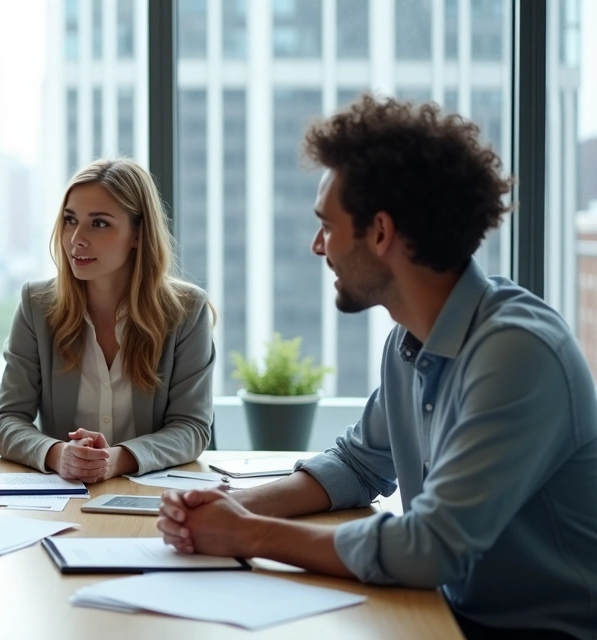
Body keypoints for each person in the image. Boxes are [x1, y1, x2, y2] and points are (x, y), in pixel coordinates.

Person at [157, 96, 597, 639]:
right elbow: (359, 465)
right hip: (446, 615)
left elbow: (429, 549)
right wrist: (223, 507)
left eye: (327, 226)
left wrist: (248, 535)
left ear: (382, 232)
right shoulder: (410, 342)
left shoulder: (517, 354)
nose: (317, 246)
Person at [0, 158, 215, 483]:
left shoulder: (187, 310)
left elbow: (192, 428)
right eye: (70, 220)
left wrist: (116, 460)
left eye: (99, 223)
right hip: (65, 492)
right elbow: (6, 421)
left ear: (138, 233)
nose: (76, 239)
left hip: (148, 495)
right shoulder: (36, 305)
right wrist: (59, 455)